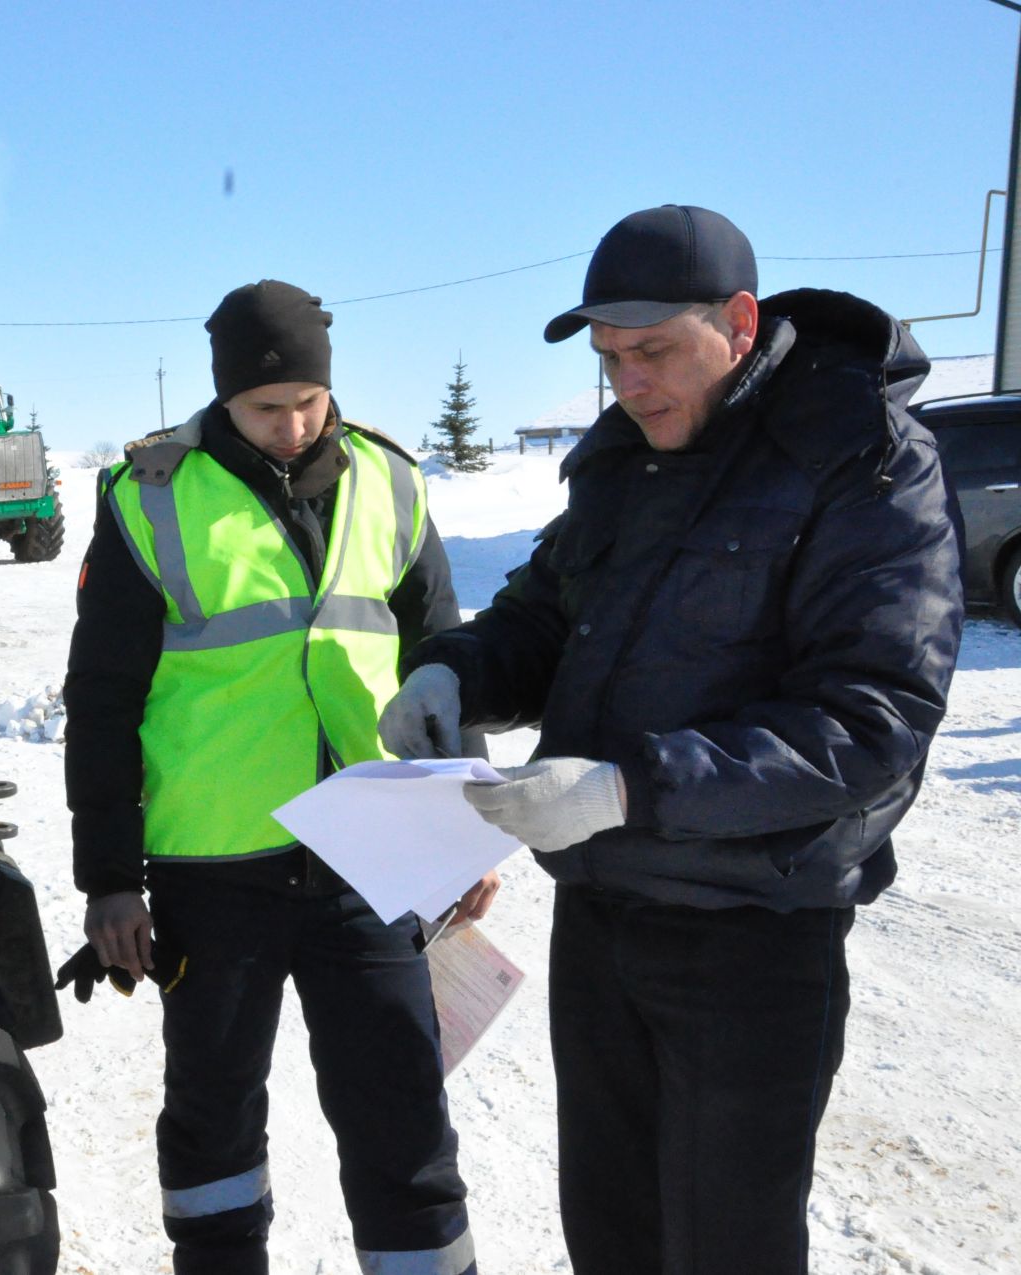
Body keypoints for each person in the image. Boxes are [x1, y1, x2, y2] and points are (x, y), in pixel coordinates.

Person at [380, 205, 964, 1274]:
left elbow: (870, 719)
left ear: (739, 323)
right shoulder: (627, 458)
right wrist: (454, 670)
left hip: (750, 934)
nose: (628, 383)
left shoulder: (862, 460)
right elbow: (547, 612)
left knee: (725, 1244)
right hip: (602, 921)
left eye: (653, 352)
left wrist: (629, 788)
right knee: (613, 1229)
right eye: (609, 360)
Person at [65, 279, 491, 1275]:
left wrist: (463, 832)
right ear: (224, 400)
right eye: (267, 408)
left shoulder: (391, 481)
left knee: (404, 1122)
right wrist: (109, 879)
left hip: (370, 863)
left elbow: (446, 661)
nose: (294, 424)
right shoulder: (153, 497)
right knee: (213, 1126)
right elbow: (103, 699)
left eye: (309, 400)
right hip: (214, 873)